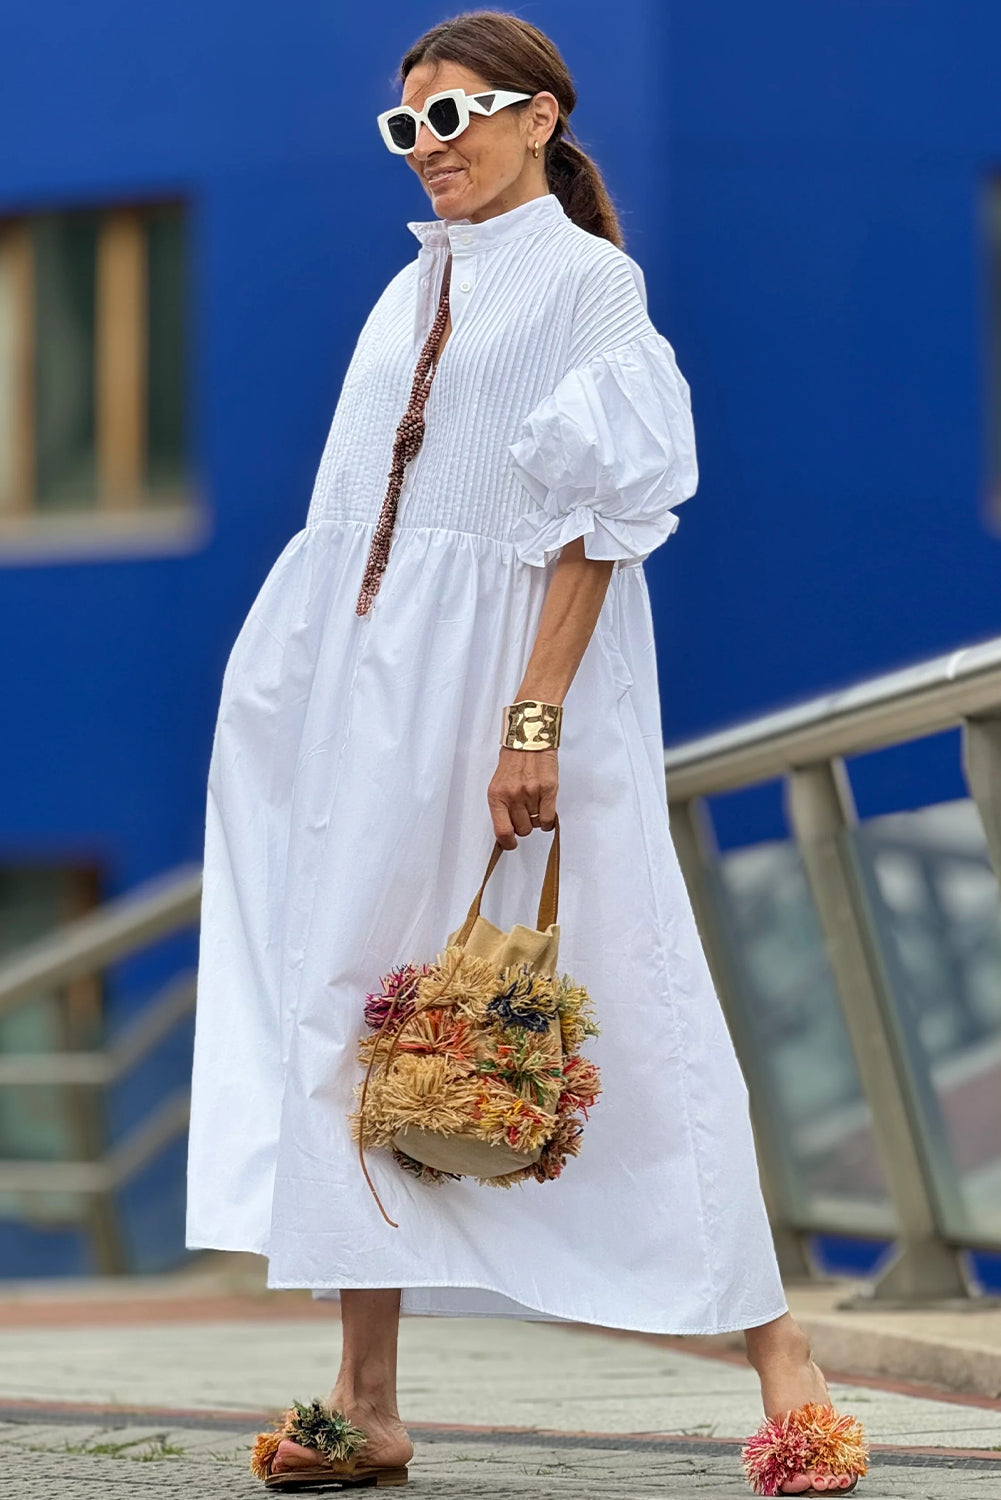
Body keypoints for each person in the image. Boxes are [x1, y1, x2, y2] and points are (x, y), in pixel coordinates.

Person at [185, 12, 867, 1497]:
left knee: (623, 992)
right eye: (407, 126)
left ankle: (780, 1359)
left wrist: (534, 716)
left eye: (458, 117)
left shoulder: (585, 284)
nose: (432, 147)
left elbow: (594, 523)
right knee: (351, 1019)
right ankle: (363, 1398)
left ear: (539, 115)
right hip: (356, 706)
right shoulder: (404, 293)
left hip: (500, 697)